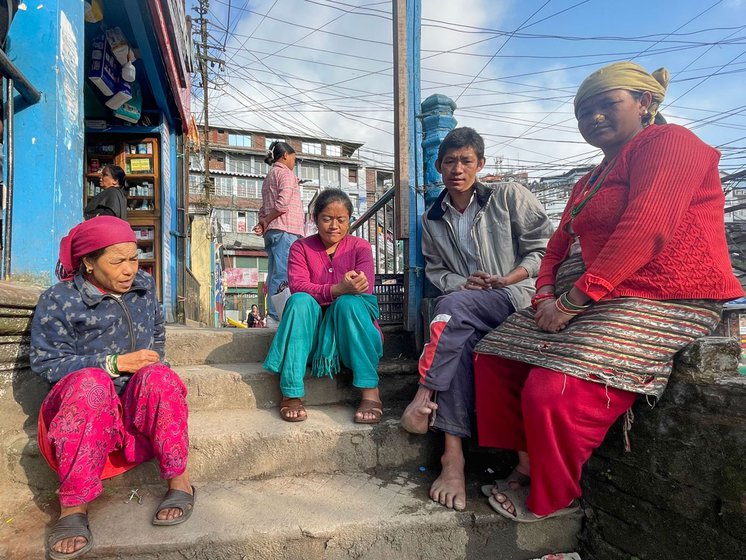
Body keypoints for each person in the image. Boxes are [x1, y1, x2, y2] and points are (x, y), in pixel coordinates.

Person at [472, 61, 744, 523]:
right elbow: (556, 247)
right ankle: (526, 462)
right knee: (495, 356)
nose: (593, 118)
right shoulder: (589, 179)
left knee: (552, 388)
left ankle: (554, 494)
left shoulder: (673, 144)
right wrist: (543, 299)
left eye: (606, 105)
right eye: (583, 112)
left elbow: (647, 229)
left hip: (665, 295)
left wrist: (573, 302)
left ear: (645, 103)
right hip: (588, 295)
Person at [398, 127, 553, 511]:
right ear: (438, 166)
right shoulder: (432, 219)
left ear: (480, 164)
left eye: (466, 160)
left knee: (450, 308)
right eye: (449, 161)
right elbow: (436, 272)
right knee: (459, 337)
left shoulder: (508, 197)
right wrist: (463, 282)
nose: (457, 168)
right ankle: (453, 457)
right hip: (467, 306)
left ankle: (424, 394)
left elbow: (543, 251)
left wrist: (507, 278)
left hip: (514, 298)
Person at [30, 216, 195, 559]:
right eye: (117, 261)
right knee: (92, 383)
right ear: (88, 263)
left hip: (134, 404)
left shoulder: (143, 288)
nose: (129, 269)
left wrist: (150, 363)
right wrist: (113, 364)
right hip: (83, 409)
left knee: (161, 376)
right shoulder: (59, 300)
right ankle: (73, 507)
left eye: (134, 258)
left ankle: (180, 481)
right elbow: (46, 362)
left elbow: (157, 333)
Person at [263, 188, 384, 424]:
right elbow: (298, 286)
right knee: (299, 301)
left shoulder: (360, 247)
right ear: (315, 219)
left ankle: (371, 392)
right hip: (311, 338)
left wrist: (354, 287)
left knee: (350, 304)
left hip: (352, 334)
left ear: (349, 220)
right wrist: (336, 290)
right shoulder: (301, 248)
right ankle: (291, 392)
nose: (334, 226)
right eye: (327, 219)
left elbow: (365, 289)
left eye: (341, 220)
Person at [254, 141, 305, 326]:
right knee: (284, 273)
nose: (294, 162)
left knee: (275, 272)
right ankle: (278, 316)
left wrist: (264, 222)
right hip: (286, 229)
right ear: (285, 156)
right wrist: (266, 221)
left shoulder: (269, 176)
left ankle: (273, 315)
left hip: (274, 231)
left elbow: (263, 207)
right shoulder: (286, 173)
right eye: (294, 158)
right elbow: (282, 204)